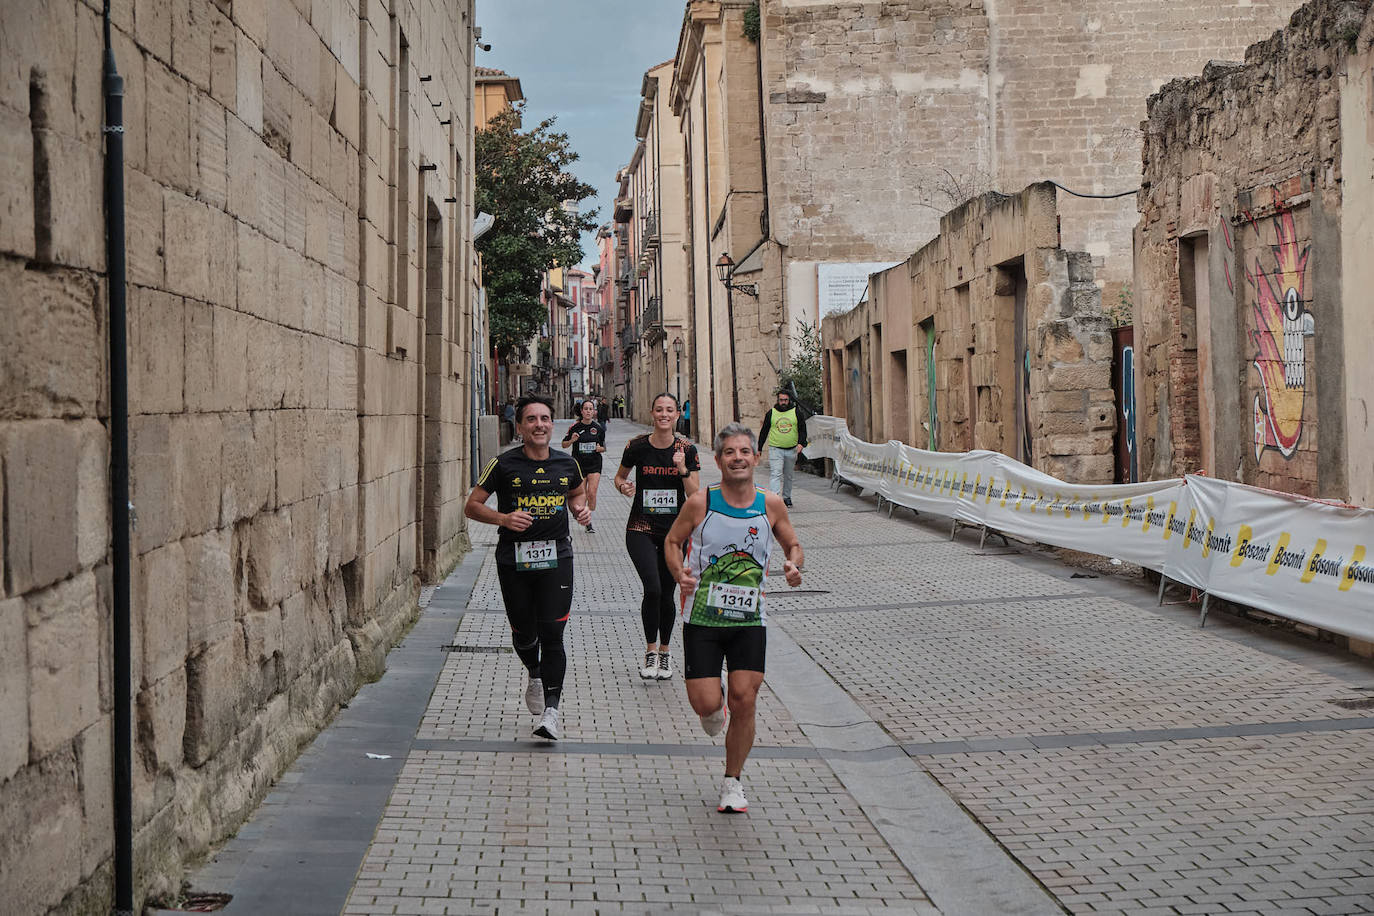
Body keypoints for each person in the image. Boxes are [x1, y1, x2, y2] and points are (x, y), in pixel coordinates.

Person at [665, 423, 804, 813]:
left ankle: (733, 781)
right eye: (730, 452)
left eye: (745, 451)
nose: (738, 458)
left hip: (748, 620)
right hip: (702, 618)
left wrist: (793, 565)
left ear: (756, 458)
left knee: (746, 697)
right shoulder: (700, 503)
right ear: (718, 460)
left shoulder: (770, 504)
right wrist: (680, 573)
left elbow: (792, 543)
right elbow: (673, 541)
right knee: (706, 705)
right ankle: (715, 705)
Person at [464, 395, 592, 741]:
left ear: (553, 424)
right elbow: (472, 506)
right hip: (514, 560)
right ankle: (534, 673)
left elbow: (577, 494)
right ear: (519, 427)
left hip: (557, 559)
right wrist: (503, 517)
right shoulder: (503, 465)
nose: (539, 425)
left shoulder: (567, 465)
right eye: (532, 419)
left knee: (553, 633)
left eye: (545, 419)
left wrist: (580, 511)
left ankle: (551, 711)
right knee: (524, 633)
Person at [614, 393, 700, 681]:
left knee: (666, 592)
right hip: (640, 527)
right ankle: (650, 651)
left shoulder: (686, 449)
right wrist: (624, 487)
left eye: (670, 410)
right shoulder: (637, 446)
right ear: (652, 413)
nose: (664, 414)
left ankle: (665, 653)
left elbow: (694, 495)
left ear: (677, 415)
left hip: (674, 534)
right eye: (659, 409)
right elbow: (619, 477)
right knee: (651, 588)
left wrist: (681, 468)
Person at [561, 399, 607, 533]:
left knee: (592, 493)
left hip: (594, 464)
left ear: (594, 412)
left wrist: (600, 449)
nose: (588, 411)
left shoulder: (598, 428)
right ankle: (588, 522)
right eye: (585, 409)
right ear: (581, 411)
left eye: (590, 409)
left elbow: (604, 447)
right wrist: (572, 440)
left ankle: (589, 516)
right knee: (582, 494)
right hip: (579, 465)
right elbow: (564, 445)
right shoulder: (574, 427)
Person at [757, 388, 807, 507]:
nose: (783, 402)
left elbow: (802, 429)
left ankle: (787, 497)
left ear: (789, 400)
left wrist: (801, 443)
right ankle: (774, 499)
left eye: (785, 400)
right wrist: (759, 448)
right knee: (776, 473)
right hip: (776, 449)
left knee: (789, 475)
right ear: (778, 400)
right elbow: (764, 431)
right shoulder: (771, 413)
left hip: (792, 449)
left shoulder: (796, 412)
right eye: (781, 400)